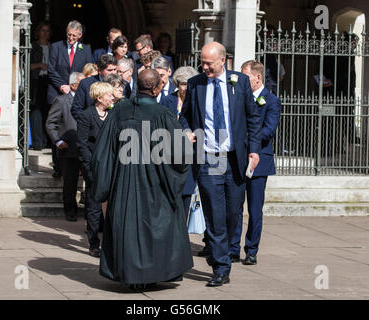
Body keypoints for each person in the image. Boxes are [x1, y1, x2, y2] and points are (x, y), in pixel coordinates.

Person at [91, 69, 193, 288]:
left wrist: (104, 185)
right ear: (156, 88)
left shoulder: (119, 111)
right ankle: (151, 275)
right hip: (155, 182)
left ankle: (130, 275)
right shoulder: (163, 114)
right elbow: (181, 154)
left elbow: (103, 152)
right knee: (155, 225)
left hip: (123, 182)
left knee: (127, 227)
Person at [179, 42, 261, 287]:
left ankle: (225, 251)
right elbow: (184, 116)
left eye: (208, 63)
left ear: (223, 61)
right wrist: (186, 131)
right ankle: (220, 267)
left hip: (234, 158)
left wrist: (254, 150)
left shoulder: (240, 82)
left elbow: (253, 118)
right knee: (214, 215)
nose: (204, 67)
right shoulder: (196, 84)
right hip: (208, 158)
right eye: (202, 62)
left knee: (233, 213)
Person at [229, 60, 281, 265]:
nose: (242, 80)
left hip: (259, 161)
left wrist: (246, 138)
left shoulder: (271, 101)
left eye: (245, 76)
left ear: (257, 77)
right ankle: (233, 248)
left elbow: (268, 131)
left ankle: (251, 249)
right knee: (234, 206)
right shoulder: (239, 98)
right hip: (238, 159)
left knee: (254, 209)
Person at [47, 20, 93, 178]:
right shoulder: (56, 47)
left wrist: (78, 88)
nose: (71, 38)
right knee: (58, 128)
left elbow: (88, 71)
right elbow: (51, 69)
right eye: (68, 35)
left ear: (80, 35)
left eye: (74, 35)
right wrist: (63, 85)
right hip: (59, 92)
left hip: (78, 94)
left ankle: (77, 167)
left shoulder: (85, 50)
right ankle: (57, 167)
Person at [76, 82, 114, 258]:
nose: (112, 98)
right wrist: (89, 169)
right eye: (108, 95)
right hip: (94, 168)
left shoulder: (112, 115)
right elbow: (82, 145)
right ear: (99, 98)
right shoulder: (86, 116)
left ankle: (110, 242)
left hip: (111, 168)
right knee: (93, 208)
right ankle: (93, 243)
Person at [160, 66, 198, 218]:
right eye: (182, 83)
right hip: (170, 153)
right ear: (177, 83)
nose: (185, 87)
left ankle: (182, 229)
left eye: (188, 84)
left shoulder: (196, 102)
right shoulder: (168, 100)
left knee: (187, 192)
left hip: (190, 153)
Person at [46, 72, 85, 222]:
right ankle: (70, 211)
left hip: (85, 147)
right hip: (69, 148)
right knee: (70, 182)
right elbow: (51, 123)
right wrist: (57, 141)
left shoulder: (88, 100)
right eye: (82, 83)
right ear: (74, 85)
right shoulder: (61, 101)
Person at [70, 54, 118, 120]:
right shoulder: (86, 84)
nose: (113, 73)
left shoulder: (119, 84)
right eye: (109, 70)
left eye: (115, 69)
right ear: (99, 70)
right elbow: (76, 109)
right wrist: (88, 123)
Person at [29, 21, 51, 151]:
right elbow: (26, 65)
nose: (45, 33)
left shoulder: (53, 47)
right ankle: (38, 142)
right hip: (36, 80)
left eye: (47, 30)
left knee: (48, 111)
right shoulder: (32, 46)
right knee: (36, 110)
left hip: (49, 81)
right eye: (43, 30)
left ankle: (48, 141)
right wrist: (39, 65)